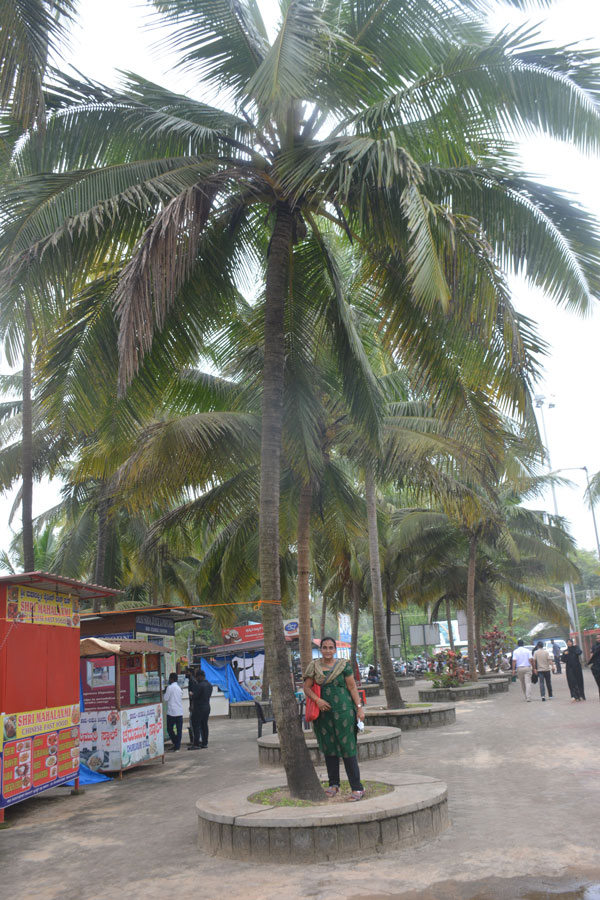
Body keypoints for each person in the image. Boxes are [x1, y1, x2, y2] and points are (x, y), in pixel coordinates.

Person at [303, 636, 366, 802]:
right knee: (329, 748)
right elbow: (306, 688)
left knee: (348, 748)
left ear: (335, 650)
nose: (328, 651)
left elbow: (352, 687)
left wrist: (359, 708)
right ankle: (333, 784)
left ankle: (357, 788)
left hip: (344, 712)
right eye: (325, 647)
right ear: (321, 649)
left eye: (331, 648)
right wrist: (317, 700)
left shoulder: (343, 666)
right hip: (323, 715)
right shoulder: (314, 666)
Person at [187, 668, 213, 748]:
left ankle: (196, 744)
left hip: (199, 708)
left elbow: (195, 696)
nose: (196, 679)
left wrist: (191, 694)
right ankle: (205, 743)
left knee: (196, 725)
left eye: (197, 677)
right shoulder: (209, 685)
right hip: (207, 707)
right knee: (204, 725)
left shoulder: (199, 685)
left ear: (199, 676)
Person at [164, 672, 184, 751]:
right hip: (179, 711)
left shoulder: (170, 687)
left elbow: (165, 698)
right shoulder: (179, 688)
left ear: (171, 679)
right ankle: (177, 746)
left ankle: (175, 743)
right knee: (179, 730)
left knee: (169, 729)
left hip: (171, 712)